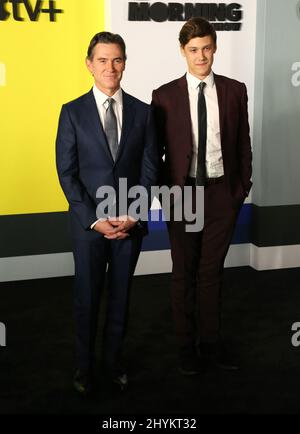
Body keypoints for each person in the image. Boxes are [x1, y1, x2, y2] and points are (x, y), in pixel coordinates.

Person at [56, 32, 157, 395]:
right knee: (87, 298)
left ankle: (114, 363)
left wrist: (132, 214)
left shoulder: (143, 112)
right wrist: (96, 220)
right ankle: (83, 367)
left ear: (125, 63)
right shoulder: (72, 112)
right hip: (89, 228)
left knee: (121, 297)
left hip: (130, 224)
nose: (110, 67)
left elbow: (150, 170)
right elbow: (66, 173)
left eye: (116, 59)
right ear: (89, 64)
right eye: (102, 60)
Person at [152, 17, 252, 375]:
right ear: (183, 51)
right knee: (184, 273)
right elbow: (156, 153)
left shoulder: (234, 89)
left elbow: (243, 143)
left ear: (215, 48)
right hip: (183, 195)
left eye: (206, 48)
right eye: (193, 49)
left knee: (212, 273)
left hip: (223, 194)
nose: (201, 55)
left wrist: (241, 190)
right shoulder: (163, 97)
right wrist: (166, 195)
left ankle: (211, 346)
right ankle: (185, 347)